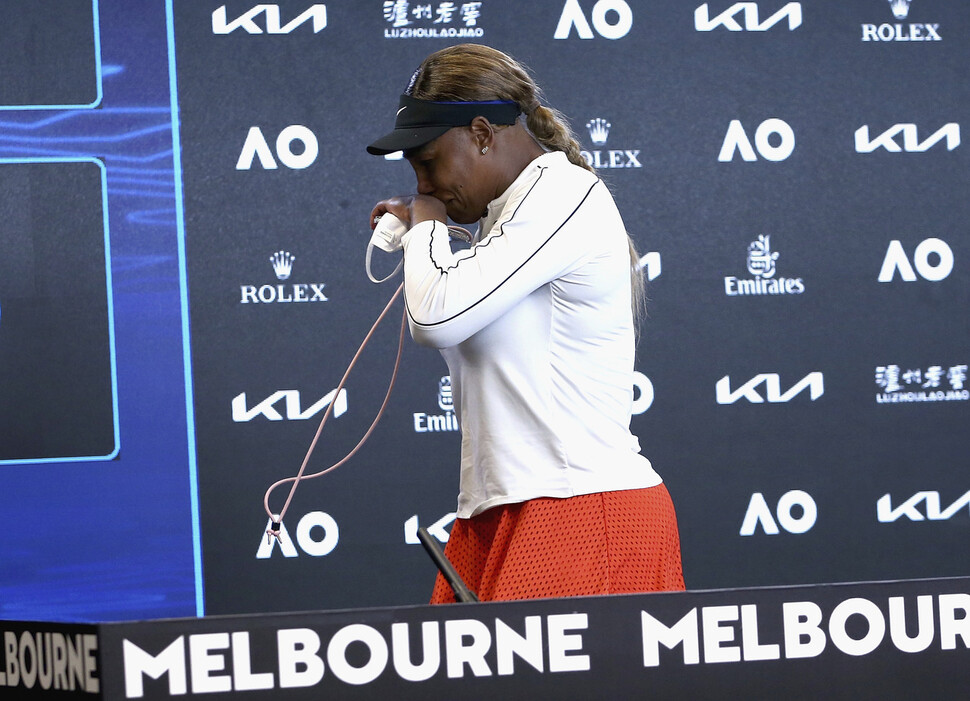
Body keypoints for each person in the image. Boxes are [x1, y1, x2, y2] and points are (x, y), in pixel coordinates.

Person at [367, 44, 684, 603]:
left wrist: (426, 225)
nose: (421, 186)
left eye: (429, 163)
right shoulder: (505, 216)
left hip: (582, 508)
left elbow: (436, 317)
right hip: (498, 511)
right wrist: (430, 227)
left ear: (483, 134)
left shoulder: (562, 194)